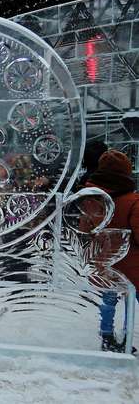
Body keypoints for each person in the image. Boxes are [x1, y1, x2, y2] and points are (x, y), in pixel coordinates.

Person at [85, 149, 139, 352]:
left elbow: (84, 230)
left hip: (102, 261)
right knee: (131, 301)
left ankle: (106, 337)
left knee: (108, 300)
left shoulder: (91, 199)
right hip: (131, 263)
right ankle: (126, 336)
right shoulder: (133, 201)